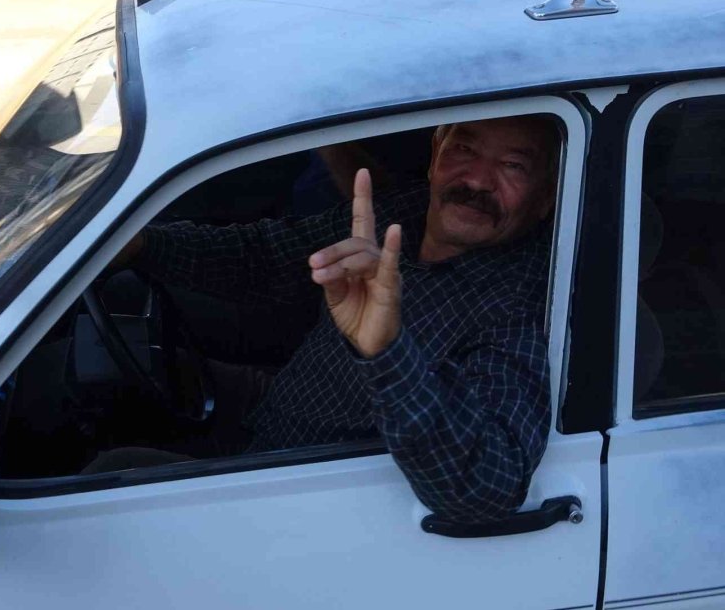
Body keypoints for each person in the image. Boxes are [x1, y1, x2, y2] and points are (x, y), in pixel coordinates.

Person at [95, 115, 560, 523]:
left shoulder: (520, 303)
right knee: (113, 370)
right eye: (465, 149)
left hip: (300, 492)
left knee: (112, 473)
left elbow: (487, 487)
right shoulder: (402, 212)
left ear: (547, 198)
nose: (477, 180)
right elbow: (267, 257)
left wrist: (388, 351)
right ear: (436, 150)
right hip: (272, 415)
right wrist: (145, 245)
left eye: (513, 166)